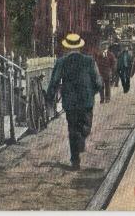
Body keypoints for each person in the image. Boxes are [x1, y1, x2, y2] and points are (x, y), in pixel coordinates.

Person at [45, 33, 102, 170]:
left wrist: (49, 97)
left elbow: (54, 81)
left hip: (70, 101)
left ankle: (75, 159)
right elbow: (98, 81)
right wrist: (93, 92)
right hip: (86, 101)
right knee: (85, 126)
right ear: (79, 47)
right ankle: (80, 142)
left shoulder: (61, 62)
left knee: (72, 129)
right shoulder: (89, 61)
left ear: (67, 47)